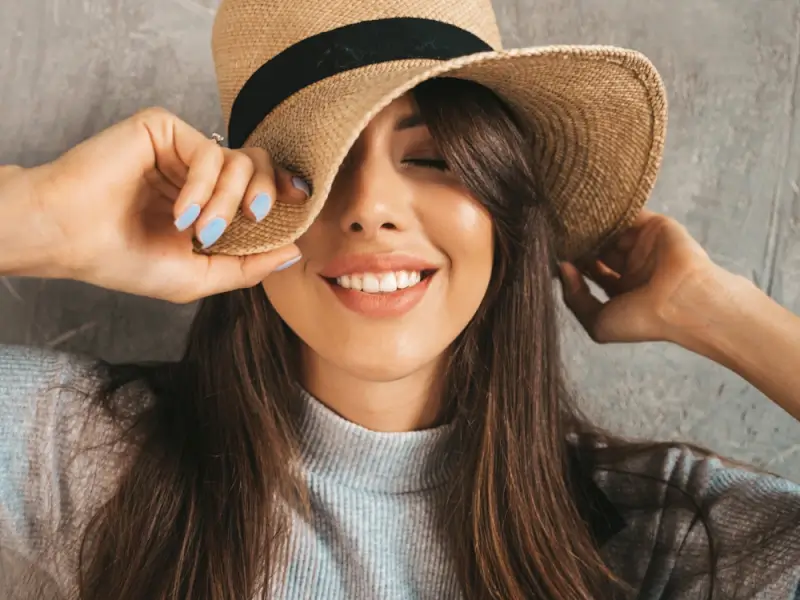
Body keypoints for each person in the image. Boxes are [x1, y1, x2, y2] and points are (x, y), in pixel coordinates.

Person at [0, 0, 798, 599]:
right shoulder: (102, 456)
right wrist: (39, 221)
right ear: (234, 215)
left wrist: (720, 312)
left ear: (504, 211)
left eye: (435, 158)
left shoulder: (653, 525)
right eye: (313, 170)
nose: (371, 206)